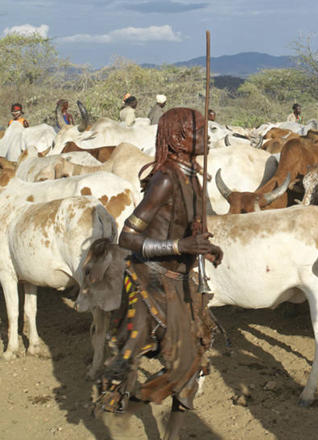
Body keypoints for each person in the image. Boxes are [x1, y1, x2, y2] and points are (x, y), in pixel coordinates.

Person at [95, 108, 222, 439]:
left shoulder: (193, 177)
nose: (208, 136)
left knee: (194, 360)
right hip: (151, 281)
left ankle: (172, 434)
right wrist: (181, 247)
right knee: (170, 364)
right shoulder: (165, 179)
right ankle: (123, 402)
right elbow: (128, 236)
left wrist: (205, 248)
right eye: (201, 131)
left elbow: (186, 231)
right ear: (180, 139)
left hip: (182, 281)